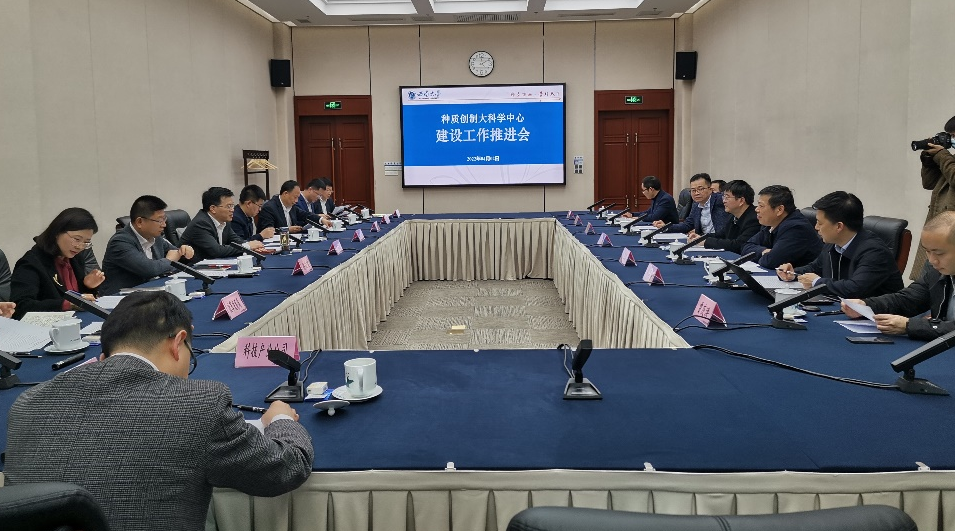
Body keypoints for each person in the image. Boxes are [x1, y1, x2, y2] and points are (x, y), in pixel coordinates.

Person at [4, 290, 313, 531]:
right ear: (178, 343)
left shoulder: (27, 404)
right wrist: (280, 419)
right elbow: (285, 469)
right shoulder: (199, 404)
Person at [842, 211, 955, 340]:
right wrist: (866, 305)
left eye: (939, 253)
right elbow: (909, 300)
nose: (932, 260)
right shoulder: (936, 270)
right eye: (928, 252)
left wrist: (909, 325)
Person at [776, 191, 903, 298]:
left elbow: (854, 289)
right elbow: (815, 267)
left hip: (874, 316)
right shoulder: (832, 243)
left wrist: (817, 282)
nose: (816, 227)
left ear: (839, 226)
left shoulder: (874, 252)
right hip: (840, 308)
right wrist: (792, 273)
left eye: (820, 223)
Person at [10, 208, 105, 319]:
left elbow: (80, 299)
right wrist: (66, 304)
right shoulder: (31, 263)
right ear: (57, 232)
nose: (80, 246)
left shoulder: (75, 258)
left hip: (74, 320)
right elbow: (21, 306)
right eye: (77, 239)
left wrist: (88, 286)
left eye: (86, 242)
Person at [100, 196, 195, 295]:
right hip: (121, 299)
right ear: (139, 222)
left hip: (150, 293)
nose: (164, 225)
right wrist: (170, 260)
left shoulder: (155, 236)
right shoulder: (120, 242)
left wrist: (185, 252)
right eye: (159, 220)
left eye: (164, 219)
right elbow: (150, 269)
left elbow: (176, 254)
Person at [911, 116, 955, 280]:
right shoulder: (950, 160)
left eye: (954, 135)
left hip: (951, 233)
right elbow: (929, 183)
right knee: (927, 281)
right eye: (950, 136)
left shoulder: (948, 159)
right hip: (938, 227)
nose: (951, 140)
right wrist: (929, 160)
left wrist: (942, 155)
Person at [741, 185, 822, 269]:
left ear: (779, 210)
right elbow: (745, 247)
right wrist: (763, 251)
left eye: (761, 206)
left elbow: (770, 262)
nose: (756, 209)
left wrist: (764, 255)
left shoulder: (797, 228)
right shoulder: (771, 223)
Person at [180, 187, 266, 262]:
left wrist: (254, 246)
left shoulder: (224, 221)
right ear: (213, 209)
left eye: (232, 206)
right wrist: (247, 246)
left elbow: (237, 241)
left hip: (214, 265)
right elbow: (217, 251)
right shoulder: (201, 223)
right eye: (228, 206)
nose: (232, 210)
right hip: (191, 269)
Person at [654, 173, 729, 235]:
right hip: (702, 242)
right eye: (693, 190)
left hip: (719, 243)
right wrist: (666, 227)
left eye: (700, 189)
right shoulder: (696, 205)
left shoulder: (720, 200)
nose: (696, 193)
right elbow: (687, 225)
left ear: (710, 189)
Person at [699, 179, 760, 254]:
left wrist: (707, 242)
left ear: (741, 201)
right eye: (723, 197)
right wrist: (700, 238)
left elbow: (739, 245)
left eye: (727, 197)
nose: (724, 201)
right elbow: (722, 235)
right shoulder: (732, 216)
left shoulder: (754, 219)